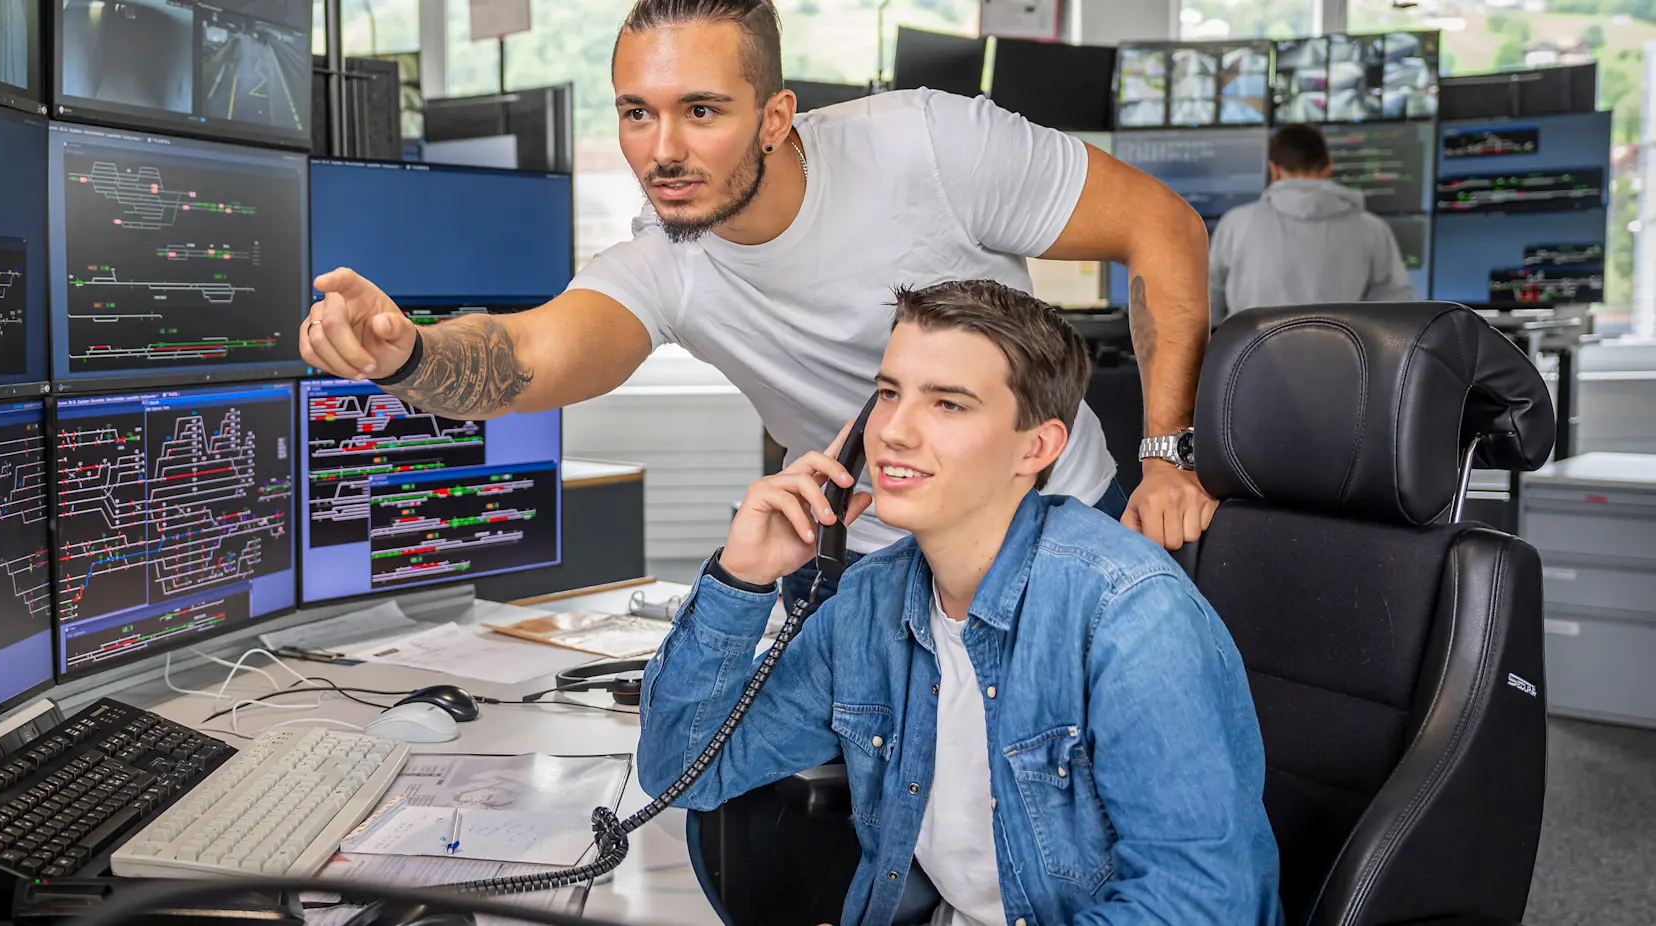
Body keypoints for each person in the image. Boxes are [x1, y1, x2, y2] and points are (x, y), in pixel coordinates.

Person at [300, 0, 1222, 602]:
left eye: (701, 111)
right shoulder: (667, 259)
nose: (662, 150)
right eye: (635, 112)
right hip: (871, 565)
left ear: (774, 119)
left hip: (1060, 521)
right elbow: (531, 355)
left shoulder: (930, 145)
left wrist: (1164, 452)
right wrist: (407, 356)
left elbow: (1166, 231)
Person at [637, 280, 1283, 926]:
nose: (892, 431)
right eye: (889, 393)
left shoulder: (1131, 618)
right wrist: (742, 577)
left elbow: (1199, 906)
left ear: (1037, 447)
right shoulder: (869, 604)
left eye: (947, 404)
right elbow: (684, 771)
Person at [1208, 123, 1415, 327]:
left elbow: (1208, 310)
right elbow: (1399, 318)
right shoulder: (1373, 230)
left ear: (1274, 170)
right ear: (1328, 167)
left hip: (1249, 359)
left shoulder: (1236, 225)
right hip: (1342, 359)